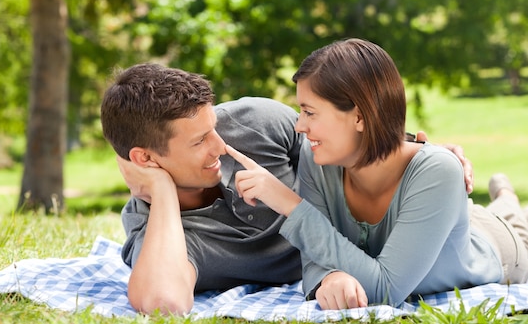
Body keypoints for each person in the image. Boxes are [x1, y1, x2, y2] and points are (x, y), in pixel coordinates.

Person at [100, 62, 475, 315]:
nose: (220, 145)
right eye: (199, 142)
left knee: (493, 228)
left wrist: (417, 152)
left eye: (214, 127)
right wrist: (162, 192)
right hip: (356, 256)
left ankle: (509, 204)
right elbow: (164, 303)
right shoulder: (154, 232)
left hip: (394, 225)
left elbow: (339, 141)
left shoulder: (254, 122)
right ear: (145, 159)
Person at [227, 38, 528, 310]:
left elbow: (386, 289)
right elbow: (314, 258)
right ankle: (507, 203)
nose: (299, 126)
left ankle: (511, 204)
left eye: (310, 112)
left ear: (360, 116)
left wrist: (292, 206)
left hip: (498, 248)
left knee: (521, 237)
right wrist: (329, 277)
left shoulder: (438, 172)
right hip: (437, 221)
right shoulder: (317, 160)